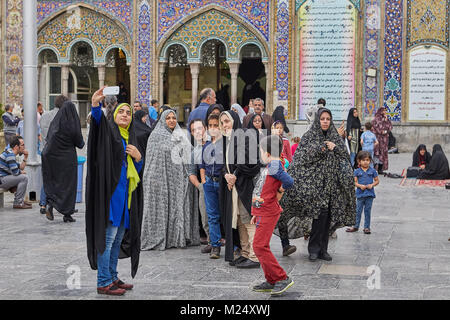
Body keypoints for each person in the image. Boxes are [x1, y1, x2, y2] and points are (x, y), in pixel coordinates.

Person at [86, 87, 144, 296]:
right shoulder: (109, 132)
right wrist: (95, 105)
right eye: (121, 112)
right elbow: (98, 124)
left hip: (124, 197)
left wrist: (138, 158)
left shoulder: (129, 138)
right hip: (110, 197)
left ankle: (112, 276)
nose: (125, 115)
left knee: (118, 239)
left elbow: (134, 173)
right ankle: (103, 281)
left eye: (128, 113)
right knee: (108, 239)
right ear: (114, 114)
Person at [280, 108, 356, 262]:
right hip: (314, 186)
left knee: (327, 218)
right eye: (322, 119)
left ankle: (323, 250)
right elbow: (302, 157)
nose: (325, 121)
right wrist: (322, 148)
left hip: (331, 186)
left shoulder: (335, 136)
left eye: (328, 119)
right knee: (318, 216)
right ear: (318, 120)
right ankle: (313, 249)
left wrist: (334, 147)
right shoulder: (310, 136)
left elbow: (345, 157)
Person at [141, 109, 199, 250]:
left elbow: (191, 153)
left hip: (179, 181)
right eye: (168, 118)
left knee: (177, 209)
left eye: (174, 117)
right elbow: (152, 162)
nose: (172, 120)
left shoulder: (180, 135)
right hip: (161, 181)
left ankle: (177, 237)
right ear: (162, 120)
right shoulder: (156, 136)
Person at [251, 135, 294, 295]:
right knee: (261, 246)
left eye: (261, 151)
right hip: (263, 211)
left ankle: (281, 277)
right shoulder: (271, 165)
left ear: (268, 153)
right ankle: (271, 280)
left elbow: (289, 181)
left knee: (259, 246)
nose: (260, 154)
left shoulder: (274, 164)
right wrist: (256, 212)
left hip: (268, 211)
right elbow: (263, 189)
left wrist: (280, 190)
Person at [219, 110, 261, 268]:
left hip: (244, 185)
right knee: (239, 220)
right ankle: (245, 252)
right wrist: (226, 176)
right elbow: (224, 164)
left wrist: (235, 175)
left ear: (234, 121)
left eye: (227, 121)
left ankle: (254, 256)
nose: (225, 125)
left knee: (248, 218)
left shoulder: (243, 135)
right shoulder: (227, 139)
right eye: (222, 122)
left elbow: (249, 161)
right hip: (233, 186)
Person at [42, 100, 85, 222]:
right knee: (69, 186)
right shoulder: (72, 124)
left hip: (53, 158)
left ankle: (50, 204)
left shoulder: (55, 123)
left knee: (56, 183)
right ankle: (67, 213)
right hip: (68, 160)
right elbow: (79, 142)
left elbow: (48, 139)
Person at [39, 95, 69, 215]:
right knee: (61, 180)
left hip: (45, 150)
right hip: (58, 152)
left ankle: (43, 204)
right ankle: (58, 205)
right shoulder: (63, 117)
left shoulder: (44, 116)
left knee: (47, 178)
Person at [199, 114, 224, 259]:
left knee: (225, 214)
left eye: (216, 126)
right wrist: (204, 180)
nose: (213, 129)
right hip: (209, 182)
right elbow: (202, 165)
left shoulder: (225, 144)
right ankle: (215, 245)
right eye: (211, 126)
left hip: (221, 182)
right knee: (212, 215)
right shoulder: (206, 145)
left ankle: (233, 245)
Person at [188, 119, 210, 251]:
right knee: (205, 216)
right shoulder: (194, 152)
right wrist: (200, 186)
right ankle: (212, 241)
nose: (197, 131)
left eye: (199, 128)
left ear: (205, 128)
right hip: (204, 187)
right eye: (194, 130)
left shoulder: (216, 145)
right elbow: (191, 172)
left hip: (219, 185)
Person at [346, 151, 379, 235]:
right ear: (359, 161)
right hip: (360, 194)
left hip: (369, 194)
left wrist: (372, 185)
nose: (365, 162)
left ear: (370, 161)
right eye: (363, 160)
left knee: (367, 211)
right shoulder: (357, 171)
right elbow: (354, 182)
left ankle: (366, 227)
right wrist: (360, 186)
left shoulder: (373, 171)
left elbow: (377, 181)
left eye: (367, 160)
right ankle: (356, 226)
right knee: (358, 211)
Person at [0, 136, 31, 209]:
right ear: (16, 147)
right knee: (23, 178)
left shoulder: (10, 153)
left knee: (22, 176)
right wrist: (21, 172)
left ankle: (20, 200)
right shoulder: (10, 154)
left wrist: (25, 157)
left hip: (3, 179)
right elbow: (16, 172)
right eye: (22, 145)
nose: (24, 147)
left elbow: (20, 167)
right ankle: (18, 202)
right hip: (1, 179)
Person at [372, 107, 392, 174]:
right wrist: (382, 131)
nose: (385, 112)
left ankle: (381, 169)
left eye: (385, 111)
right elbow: (378, 128)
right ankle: (376, 168)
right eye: (383, 110)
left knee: (383, 153)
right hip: (378, 139)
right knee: (378, 153)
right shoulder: (376, 119)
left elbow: (390, 127)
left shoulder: (386, 118)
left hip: (384, 140)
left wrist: (386, 120)